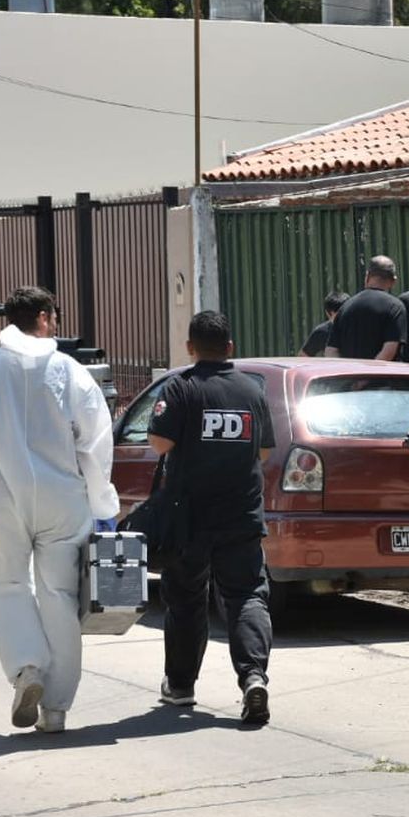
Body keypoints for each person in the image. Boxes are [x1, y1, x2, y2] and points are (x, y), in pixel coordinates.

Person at [0, 286, 118, 734]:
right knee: (59, 597)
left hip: (6, 498)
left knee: (6, 586)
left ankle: (26, 669)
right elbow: (94, 442)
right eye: (54, 315)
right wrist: (102, 504)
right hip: (64, 500)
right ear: (44, 318)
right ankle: (55, 710)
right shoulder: (71, 371)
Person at [149, 310, 275, 726]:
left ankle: (181, 686)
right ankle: (253, 677)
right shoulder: (251, 389)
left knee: (186, 598)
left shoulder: (181, 387)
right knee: (245, 596)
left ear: (190, 348)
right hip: (241, 513)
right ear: (230, 348)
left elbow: (160, 442)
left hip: (190, 518)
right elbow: (264, 452)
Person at [326, 256, 407, 360]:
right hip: (382, 375)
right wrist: (370, 373)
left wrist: (348, 373)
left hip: (348, 374)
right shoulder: (396, 307)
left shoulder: (346, 307)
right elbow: (389, 350)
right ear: (393, 281)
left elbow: (331, 350)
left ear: (367, 276)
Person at [299, 291, 349, 357]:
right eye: (340, 313)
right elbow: (303, 357)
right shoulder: (321, 332)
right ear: (329, 314)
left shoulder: (358, 327)